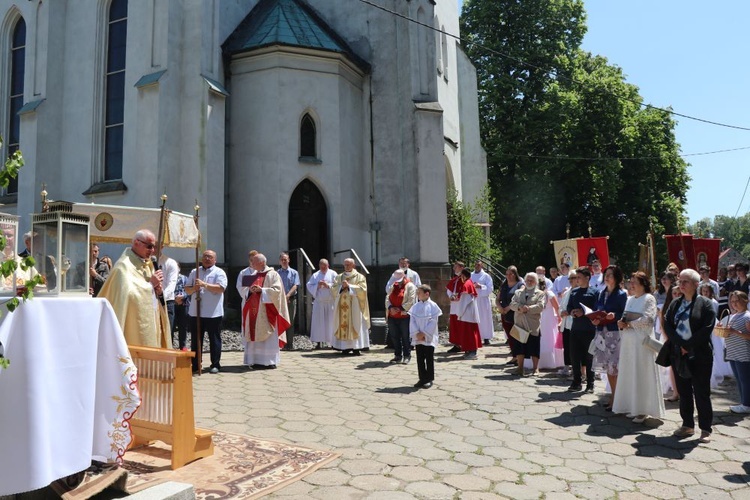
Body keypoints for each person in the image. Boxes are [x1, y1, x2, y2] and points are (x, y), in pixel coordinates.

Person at [663, 268, 716, 443]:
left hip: (700, 354)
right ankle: (687, 425)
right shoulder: (675, 303)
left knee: (701, 391)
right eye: (680, 281)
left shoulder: (705, 304)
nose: (681, 284)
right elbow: (668, 324)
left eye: (686, 281)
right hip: (679, 353)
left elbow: (707, 328)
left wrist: (689, 345)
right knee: (684, 390)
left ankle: (705, 428)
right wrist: (680, 344)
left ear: (696, 284)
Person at [98, 229, 170, 348]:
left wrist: (158, 292)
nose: (152, 251)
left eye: (154, 247)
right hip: (134, 323)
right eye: (149, 246)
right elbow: (128, 295)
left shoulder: (149, 264)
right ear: (137, 243)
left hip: (152, 319)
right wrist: (150, 285)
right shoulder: (123, 266)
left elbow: (152, 292)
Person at [613, 271, 665, 423]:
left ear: (643, 283)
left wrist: (629, 323)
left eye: (635, 281)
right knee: (630, 373)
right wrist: (621, 323)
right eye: (631, 281)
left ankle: (643, 409)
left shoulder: (649, 298)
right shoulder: (629, 299)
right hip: (629, 342)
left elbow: (648, 319)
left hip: (642, 343)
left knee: (642, 373)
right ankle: (632, 406)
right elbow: (625, 316)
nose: (632, 284)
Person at [242, 253, 291, 369]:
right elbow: (243, 290)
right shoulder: (252, 275)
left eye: (254, 262)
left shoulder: (273, 274)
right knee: (254, 334)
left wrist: (262, 290)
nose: (252, 264)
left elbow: (277, 291)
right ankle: (255, 360)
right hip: (253, 312)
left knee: (268, 336)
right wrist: (249, 291)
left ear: (262, 263)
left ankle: (269, 361)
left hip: (267, 312)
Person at [591, 265, 627, 409]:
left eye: (610, 275)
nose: (607, 277)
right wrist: (595, 318)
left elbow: (625, 313)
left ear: (617, 278)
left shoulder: (622, 294)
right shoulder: (601, 293)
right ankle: (614, 395)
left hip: (615, 333)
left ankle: (616, 398)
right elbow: (596, 309)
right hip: (602, 333)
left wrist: (615, 316)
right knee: (608, 367)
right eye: (606, 274)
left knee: (614, 367)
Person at [186, 250, 228, 374]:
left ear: (215, 260)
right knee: (196, 339)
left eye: (210, 257)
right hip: (195, 312)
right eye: (204, 256)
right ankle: (195, 364)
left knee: (214, 339)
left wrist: (204, 284)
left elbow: (221, 288)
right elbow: (187, 289)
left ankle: (215, 364)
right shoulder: (195, 272)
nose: (206, 259)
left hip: (212, 312)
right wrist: (194, 288)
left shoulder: (219, 272)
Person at [566, 266, 598, 393]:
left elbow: (596, 309)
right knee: (574, 356)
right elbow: (568, 307)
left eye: (579, 277)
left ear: (587, 278)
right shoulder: (574, 292)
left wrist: (583, 313)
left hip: (589, 329)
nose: (577, 280)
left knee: (589, 357)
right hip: (575, 329)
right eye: (576, 277)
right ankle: (576, 382)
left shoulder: (595, 292)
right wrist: (572, 311)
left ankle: (590, 384)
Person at [509, 272, 546, 376]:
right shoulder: (518, 292)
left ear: (536, 282)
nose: (529, 282)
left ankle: (535, 369)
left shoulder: (540, 293)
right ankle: (520, 368)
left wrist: (528, 308)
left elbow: (540, 306)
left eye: (532, 280)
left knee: (534, 347)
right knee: (519, 347)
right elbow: (512, 304)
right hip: (520, 324)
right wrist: (520, 307)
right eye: (527, 280)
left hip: (532, 325)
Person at [332, 258, 370, 355]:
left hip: (355, 307)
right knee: (343, 324)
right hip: (342, 306)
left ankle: (356, 347)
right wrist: (341, 287)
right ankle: (345, 347)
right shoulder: (339, 277)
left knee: (356, 324)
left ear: (353, 265)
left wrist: (349, 287)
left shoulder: (360, 277)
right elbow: (333, 289)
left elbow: (363, 290)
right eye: (345, 265)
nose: (346, 266)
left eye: (348, 264)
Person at [409, 284, 442, 389]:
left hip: (428, 337)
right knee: (419, 358)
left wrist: (424, 334)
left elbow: (433, 322)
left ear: (427, 294)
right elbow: (412, 320)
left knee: (429, 358)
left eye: (419, 293)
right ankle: (422, 378)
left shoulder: (433, 306)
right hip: (418, 337)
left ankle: (429, 378)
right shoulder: (415, 306)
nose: (417, 294)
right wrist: (416, 334)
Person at [725, 291, 750, 414]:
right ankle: (743, 402)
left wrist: (734, 332)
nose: (734, 304)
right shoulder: (734, 315)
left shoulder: (747, 316)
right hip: (733, 353)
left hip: (744, 353)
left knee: (745, 380)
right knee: (739, 379)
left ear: (745, 301)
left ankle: (746, 404)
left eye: (737, 301)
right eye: (733, 301)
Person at [386, 269, 416, 364]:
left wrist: (399, 308)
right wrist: (390, 307)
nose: (397, 282)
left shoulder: (410, 286)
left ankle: (407, 355)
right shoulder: (393, 285)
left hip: (404, 316)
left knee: (405, 337)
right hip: (392, 315)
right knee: (394, 336)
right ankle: (397, 355)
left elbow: (411, 300)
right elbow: (387, 298)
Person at [306, 259, 338, 349]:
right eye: (321, 266)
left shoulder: (333, 274)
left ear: (328, 265)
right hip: (319, 303)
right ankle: (318, 342)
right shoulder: (316, 275)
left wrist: (328, 285)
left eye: (325, 266)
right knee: (318, 323)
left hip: (330, 302)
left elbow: (337, 285)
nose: (323, 268)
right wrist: (318, 285)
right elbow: (309, 285)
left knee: (330, 323)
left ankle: (333, 343)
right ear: (319, 266)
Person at [452, 269, 483, 360]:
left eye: (461, 276)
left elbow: (464, 301)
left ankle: (472, 352)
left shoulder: (466, 284)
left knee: (470, 333)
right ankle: (469, 351)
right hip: (468, 313)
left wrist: (459, 313)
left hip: (467, 313)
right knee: (468, 333)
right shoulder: (469, 283)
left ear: (464, 276)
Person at [237, 250, 258, 365]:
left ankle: (262, 358)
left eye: (255, 259)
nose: (252, 262)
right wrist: (248, 290)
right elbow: (239, 287)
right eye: (251, 259)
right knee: (249, 328)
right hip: (248, 303)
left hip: (260, 304)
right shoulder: (243, 273)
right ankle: (250, 358)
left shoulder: (263, 272)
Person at [497, 266, 522, 363]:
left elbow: (520, 299)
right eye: (506, 274)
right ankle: (514, 355)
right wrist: (499, 307)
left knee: (517, 336)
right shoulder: (504, 285)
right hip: (504, 313)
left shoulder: (520, 285)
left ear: (515, 274)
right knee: (510, 336)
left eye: (510, 274)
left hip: (515, 313)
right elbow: (498, 298)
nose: (508, 276)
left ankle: (519, 356)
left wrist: (508, 308)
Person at [537, 276, 562, 371]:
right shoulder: (537, 294)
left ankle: (548, 360)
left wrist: (559, 318)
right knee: (543, 337)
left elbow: (557, 307)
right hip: (542, 316)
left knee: (549, 337)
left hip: (548, 317)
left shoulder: (549, 294)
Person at [557, 269, 577, 377]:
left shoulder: (579, 291)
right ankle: (566, 366)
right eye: (570, 278)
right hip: (565, 323)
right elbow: (561, 306)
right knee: (567, 346)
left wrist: (568, 312)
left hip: (574, 323)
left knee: (574, 348)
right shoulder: (567, 291)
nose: (571, 280)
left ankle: (575, 369)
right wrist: (561, 313)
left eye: (573, 278)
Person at [277, 252, 300, 349]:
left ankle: (290, 344)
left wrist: (288, 295)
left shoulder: (294, 272)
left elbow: (295, 285)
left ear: (289, 260)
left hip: (291, 299)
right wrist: (283, 296)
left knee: (290, 321)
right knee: (281, 320)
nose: (284, 261)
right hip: (280, 300)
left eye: (285, 259)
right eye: (282, 260)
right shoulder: (277, 273)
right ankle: (282, 343)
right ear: (279, 261)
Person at [471, 260, 495, 346]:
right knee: (475, 319)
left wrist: (480, 286)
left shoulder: (486, 276)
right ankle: (476, 337)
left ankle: (486, 338)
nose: (477, 266)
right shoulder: (471, 275)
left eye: (479, 265)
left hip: (483, 300)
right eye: (476, 265)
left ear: (482, 266)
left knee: (485, 319)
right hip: (474, 299)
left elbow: (490, 288)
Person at [446, 261, 466, 353]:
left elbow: (466, 291)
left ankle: (464, 344)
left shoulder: (466, 279)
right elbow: (449, 289)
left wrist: (459, 297)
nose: (454, 269)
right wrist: (451, 296)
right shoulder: (455, 279)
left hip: (462, 306)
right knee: (454, 326)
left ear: (461, 267)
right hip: (454, 306)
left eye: (456, 267)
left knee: (462, 325)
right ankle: (456, 344)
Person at [159, 247, 180, 332]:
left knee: (166, 332)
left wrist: (161, 296)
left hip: (166, 301)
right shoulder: (143, 262)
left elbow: (171, 284)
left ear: (162, 246)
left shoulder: (170, 262)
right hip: (148, 300)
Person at [173, 272, 190, 350]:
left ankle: (183, 346)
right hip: (172, 304)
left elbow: (189, 290)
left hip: (183, 304)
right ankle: (169, 345)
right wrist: (175, 299)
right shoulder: (169, 277)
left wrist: (183, 297)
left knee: (183, 326)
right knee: (171, 326)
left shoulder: (185, 278)